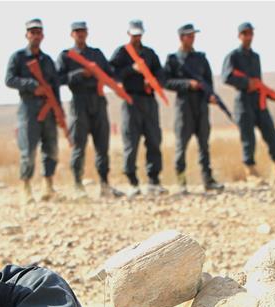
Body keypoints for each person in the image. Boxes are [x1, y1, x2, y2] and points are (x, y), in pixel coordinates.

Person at [56, 21, 123, 199]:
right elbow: (58, 78)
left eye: (83, 31)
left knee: (102, 145)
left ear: (87, 33)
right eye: (77, 31)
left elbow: (110, 73)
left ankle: (105, 184)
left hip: (98, 100)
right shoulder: (66, 56)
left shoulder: (96, 54)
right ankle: (78, 185)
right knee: (79, 146)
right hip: (79, 102)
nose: (80, 34)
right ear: (72, 34)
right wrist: (79, 74)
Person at [222, 22, 275, 184]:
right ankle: (250, 171)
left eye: (250, 33)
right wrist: (246, 83)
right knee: (247, 137)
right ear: (239, 36)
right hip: (243, 100)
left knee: (270, 133)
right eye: (245, 33)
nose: (248, 37)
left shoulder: (255, 57)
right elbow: (226, 77)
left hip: (259, 100)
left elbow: (259, 81)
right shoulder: (233, 56)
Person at [163, 23, 224, 194]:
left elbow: (208, 82)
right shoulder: (173, 59)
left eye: (193, 35)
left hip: (201, 105)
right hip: (184, 105)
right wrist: (187, 84)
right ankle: (181, 182)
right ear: (181, 37)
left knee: (204, 143)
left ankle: (208, 180)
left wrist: (210, 96)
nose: (192, 38)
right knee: (181, 145)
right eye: (189, 35)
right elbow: (166, 82)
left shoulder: (201, 58)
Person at [5, 18, 62, 201]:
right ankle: (26, 187)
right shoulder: (18, 57)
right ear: (27, 35)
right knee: (28, 150)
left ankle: (48, 185)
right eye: (32, 32)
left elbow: (55, 88)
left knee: (51, 148)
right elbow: (9, 79)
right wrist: (31, 85)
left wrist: (59, 111)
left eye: (38, 32)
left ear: (42, 35)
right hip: (29, 109)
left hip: (49, 110)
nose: (35, 35)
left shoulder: (47, 60)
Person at [110, 19, 167, 197]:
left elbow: (161, 73)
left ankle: (154, 180)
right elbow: (112, 72)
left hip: (149, 101)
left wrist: (154, 82)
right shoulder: (121, 53)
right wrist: (131, 69)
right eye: (133, 35)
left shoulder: (150, 53)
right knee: (131, 142)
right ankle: (132, 181)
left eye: (139, 35)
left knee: (154, 139)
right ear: (128, 34)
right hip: (131, 100)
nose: (136, 38)